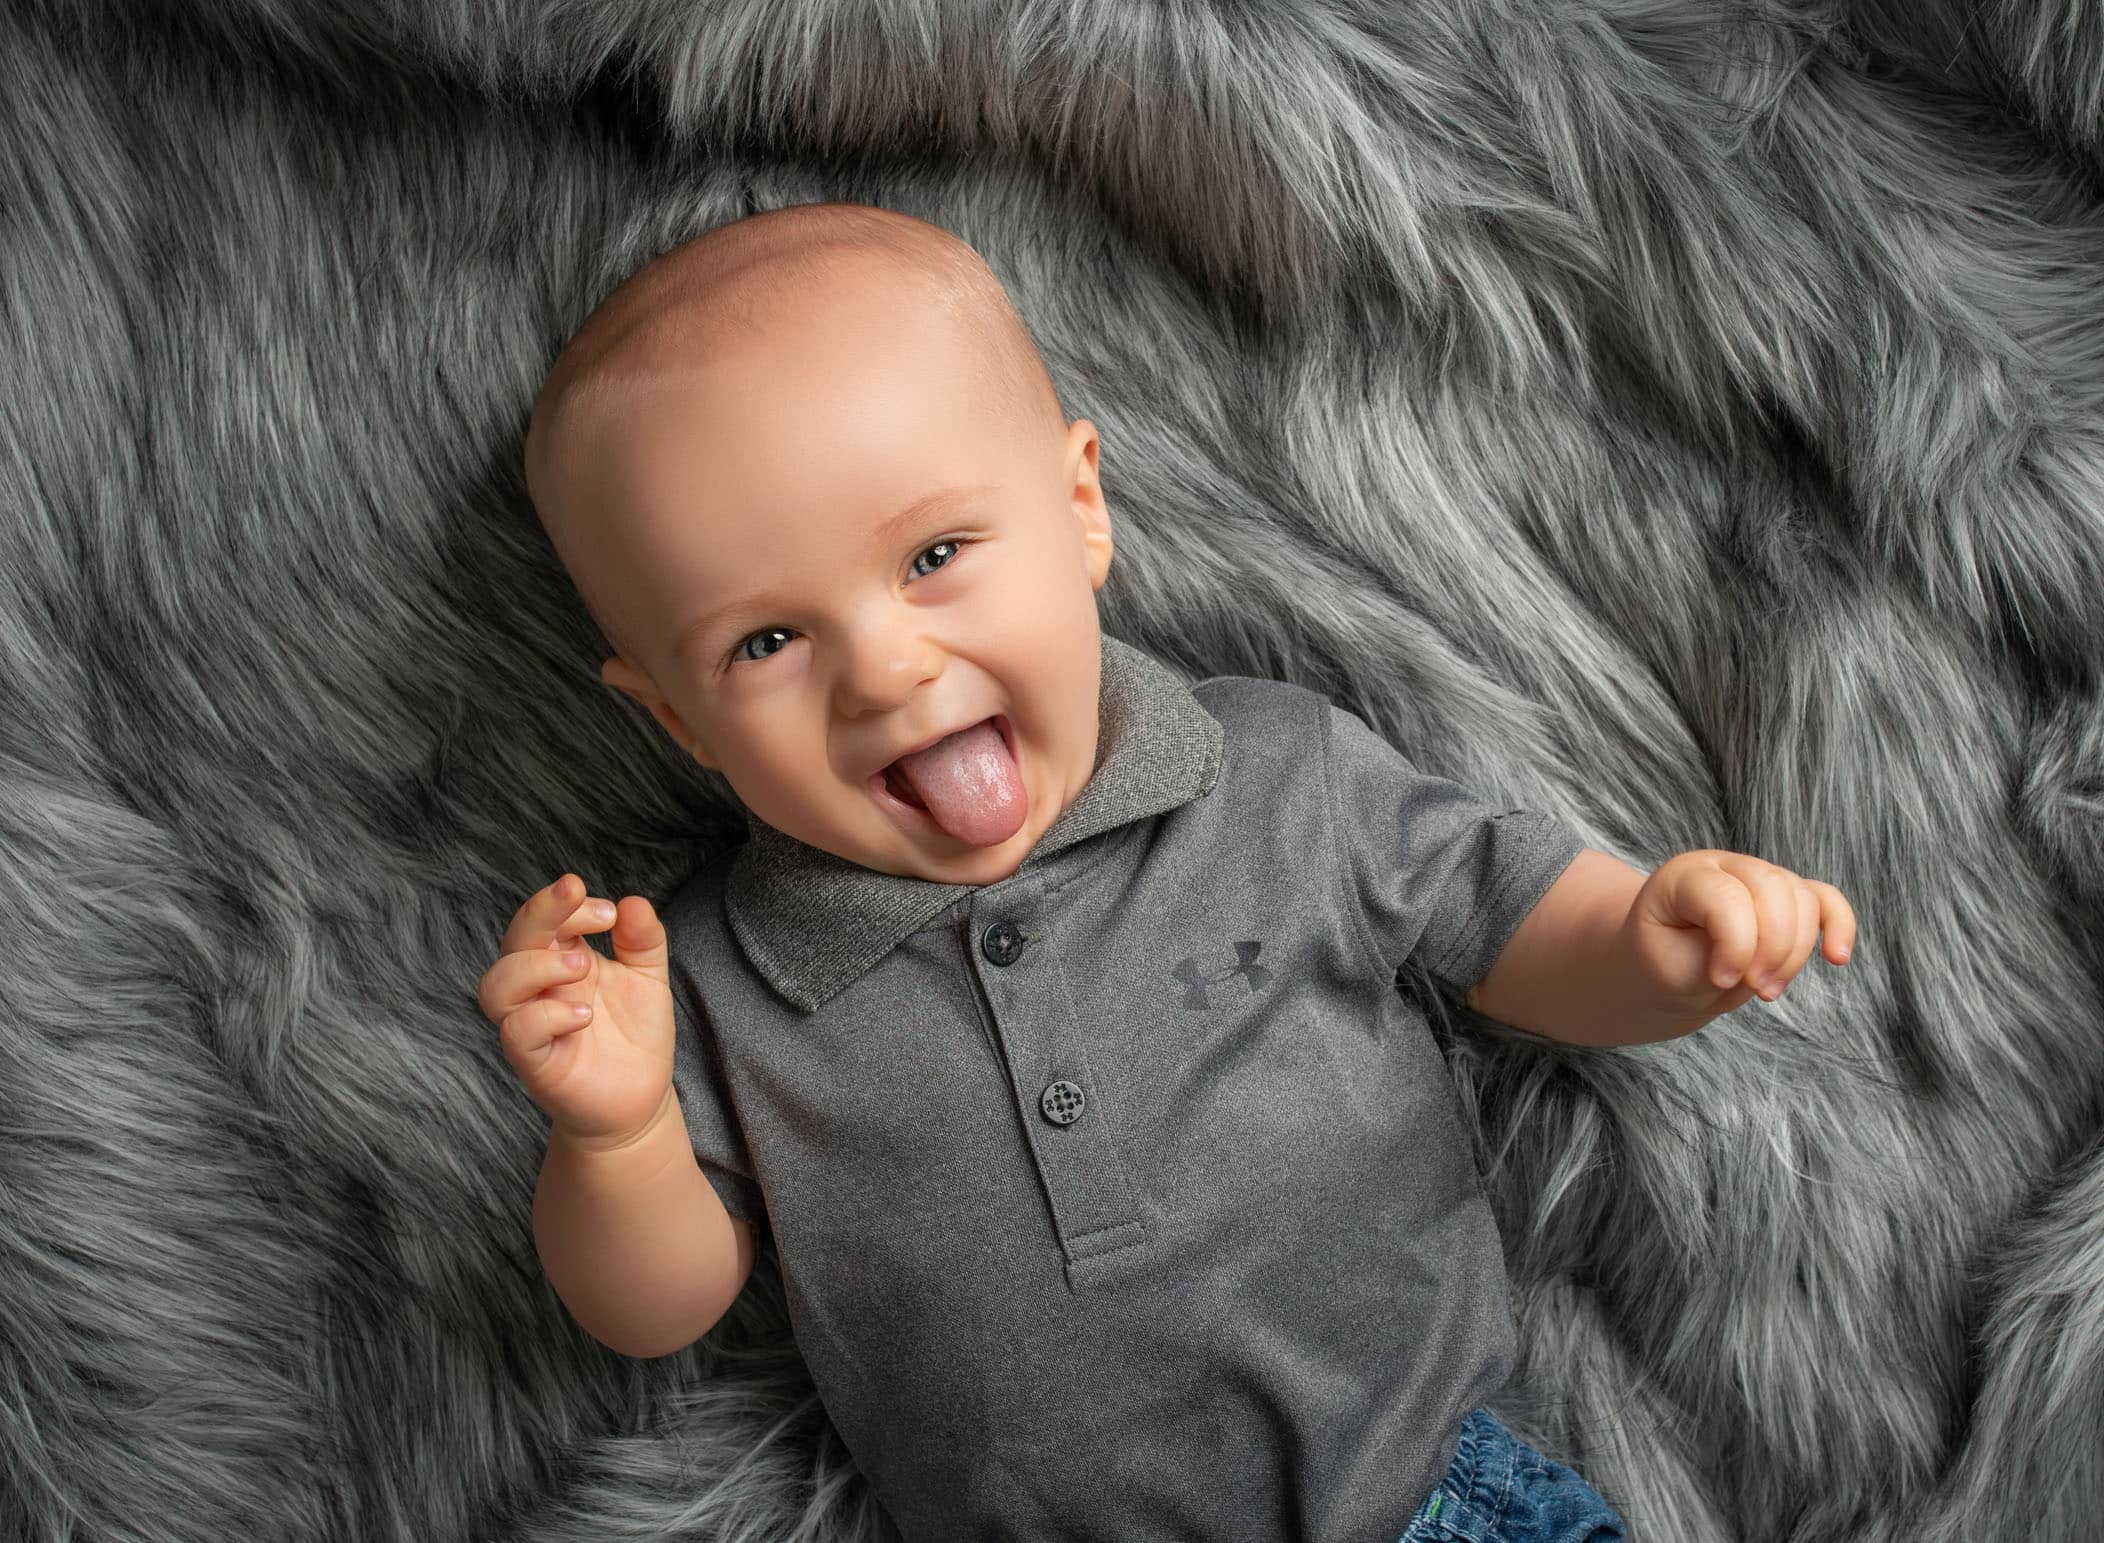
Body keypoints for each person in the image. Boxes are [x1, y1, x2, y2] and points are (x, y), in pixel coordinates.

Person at [480, 201, 1856, 1540]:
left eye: (934, 556)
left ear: (1081, 507)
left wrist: (1655, 944)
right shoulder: (714, 978)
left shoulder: (1275, 774)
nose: (886, 670)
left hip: (1432, 1503)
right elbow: (654, 1309)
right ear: (678, 718)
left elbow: (1515, 931)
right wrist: (616, 1139)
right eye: (767, 643)